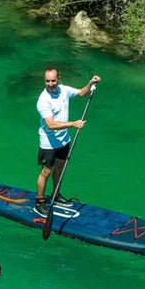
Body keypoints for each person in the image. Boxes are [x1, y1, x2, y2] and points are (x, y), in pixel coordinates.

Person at [36, 67, 100, 214]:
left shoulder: (63, 90)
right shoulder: (43, 100)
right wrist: (73, 124)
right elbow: (50, 125)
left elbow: (82, 93)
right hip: (49, 142)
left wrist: (91, 83)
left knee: (60, 168)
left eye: (53, 80)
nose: (50, 84)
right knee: (46, 172)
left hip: (64, 140)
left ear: (58, 78)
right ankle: (39, 202)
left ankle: (56, 195)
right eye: (47, 81)